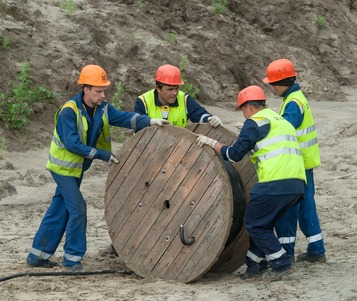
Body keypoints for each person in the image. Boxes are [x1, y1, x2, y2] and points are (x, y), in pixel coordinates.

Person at [26, 64, 158, 271]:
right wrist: (102, 154)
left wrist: (150, 121)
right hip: (63, 169)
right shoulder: (68, 112)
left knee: (59, 208)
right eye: (98, 90)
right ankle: (72, 260)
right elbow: (72, 144)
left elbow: (124, 118)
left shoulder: (101, 108)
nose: (102, 94)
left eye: (104, 90)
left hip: (76, 169)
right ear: (85, 89)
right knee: (78, 209)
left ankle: (37, 255)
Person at [196, 85, 306, 281]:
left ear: (248, 106)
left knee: (254, 223)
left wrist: (212, 143)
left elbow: (234, 155)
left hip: (275, 182)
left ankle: (281, 263)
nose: (244, 116)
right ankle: (255, 263)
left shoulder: (254, 123)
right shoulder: (279, 120)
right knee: (263, 222)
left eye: (243, 111)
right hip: (296, 184)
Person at [263, 58, 326, 263]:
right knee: (307, 206)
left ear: (281, 83)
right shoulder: (295, 98)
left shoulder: (293, 103)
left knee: (290, 209)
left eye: (272, 84)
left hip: (296, 165)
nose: (272, 88)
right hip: (305, 162)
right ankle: (317, 249)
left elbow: (284, 129)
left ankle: (287, 253)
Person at [134, 64, 222, 128]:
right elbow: (137, 125)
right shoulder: (143, 101)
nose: (175, 93)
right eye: (170, 89)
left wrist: (211, 118)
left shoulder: (184, 99)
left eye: (176, 88)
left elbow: (199, 115)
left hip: (178, 148)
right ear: (158, 88)